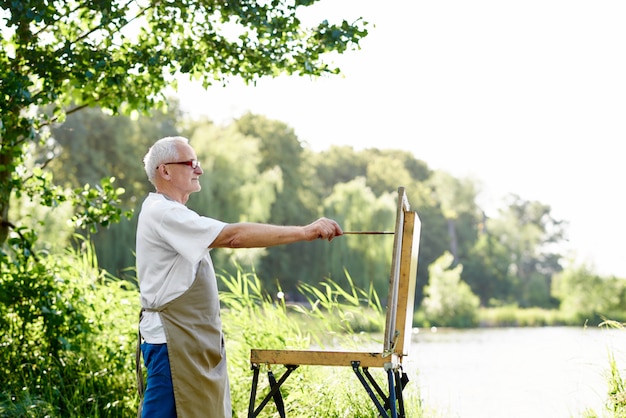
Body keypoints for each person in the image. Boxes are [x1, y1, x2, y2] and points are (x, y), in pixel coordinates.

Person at [135, 136, 343, 418]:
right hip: (172, 345)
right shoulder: (164, 213)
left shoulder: (175, 213)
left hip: (186, 344)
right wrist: (305, 232)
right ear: (165, 171)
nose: (200, 170)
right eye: (191, 163)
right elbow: (233, 237)